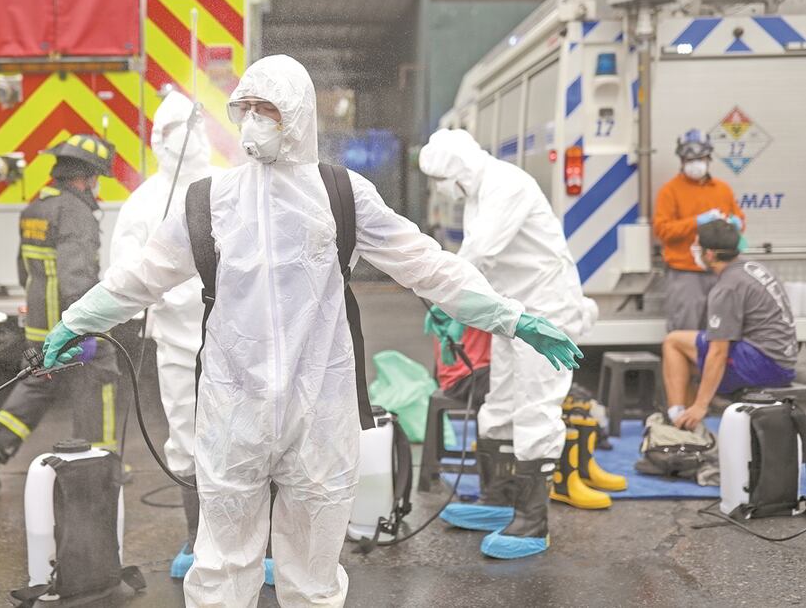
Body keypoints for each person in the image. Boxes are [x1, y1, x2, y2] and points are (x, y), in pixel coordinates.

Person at [42, 55, 582, 607]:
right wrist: (75, 320)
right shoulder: (208, 201)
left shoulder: (341, 195)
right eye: (244, 108)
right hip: (233, 409)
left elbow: (427, 263)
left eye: (266, 108)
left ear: (297, 115)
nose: (253, 120)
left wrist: (510, 318)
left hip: (319, 413)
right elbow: (140, 277)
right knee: (221, 569)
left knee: (313, 574)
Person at [419, 128, 603, 559]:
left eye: (445, 178)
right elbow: (480, 261)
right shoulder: (479, 193)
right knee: (499, 403)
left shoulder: (508, 184)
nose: (445, 189)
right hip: (516, 314)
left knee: (535, 408)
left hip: (548, 314)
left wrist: (445, 297)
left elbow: (480, 251)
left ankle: (532, 521)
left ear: (458, 170)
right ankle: (499, 500)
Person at [108, 89, 222, 578]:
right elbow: (125, 273)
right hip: (178, 344)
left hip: (238, 343)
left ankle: (255, 537)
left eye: (196, 127)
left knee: (250, 438)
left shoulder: (228, 186)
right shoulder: (145, 203)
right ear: (159, 139)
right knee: (188, 439)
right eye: (178, 130)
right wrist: (174, 297)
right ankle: (197, 540)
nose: (190, 138)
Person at [0, 134, 119, 495]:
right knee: (99, 377)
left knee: (38, 382)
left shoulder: (35, 207)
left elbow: (24, 270)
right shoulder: (75, 213)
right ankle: (98, 465)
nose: (96, 187)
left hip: (39, 321)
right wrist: (87, 327)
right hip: (66, 323)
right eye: (95, 178)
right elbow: (76, 278)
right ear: (83, 177)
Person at [663, 220, 799, 431]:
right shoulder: (754, 267)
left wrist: (701, 405)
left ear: (709, 254)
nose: (694, 252)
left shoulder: (727, 287)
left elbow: (718, 352)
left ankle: (679, 422)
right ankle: (688, 427)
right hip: (783, 361)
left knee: (673, 342)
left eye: (697, 247)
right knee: (683, 365)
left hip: (764, 364)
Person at [654, 129, 745, 331]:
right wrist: (696, 222)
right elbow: (662, 230)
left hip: (720, 271)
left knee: (721, 331)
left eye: (700, 157)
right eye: (689, 158)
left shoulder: (722, 189)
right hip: (685, 274)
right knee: (685, 331)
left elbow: (740, 223)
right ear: (682, 160)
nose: (695, 163)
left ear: (708, 157)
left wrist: (735, 223)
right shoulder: (670, 191)